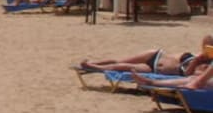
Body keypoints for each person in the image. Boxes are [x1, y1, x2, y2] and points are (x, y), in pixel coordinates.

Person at [79, 46, 207, 76]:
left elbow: (188, 75)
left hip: (154, 69)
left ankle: (93, 67)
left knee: (122, 66)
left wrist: (196, 62)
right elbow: (207, 39)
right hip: (156, 55)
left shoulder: (205, 70)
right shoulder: (205, 55)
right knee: (120, 60)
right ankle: (94, 62)